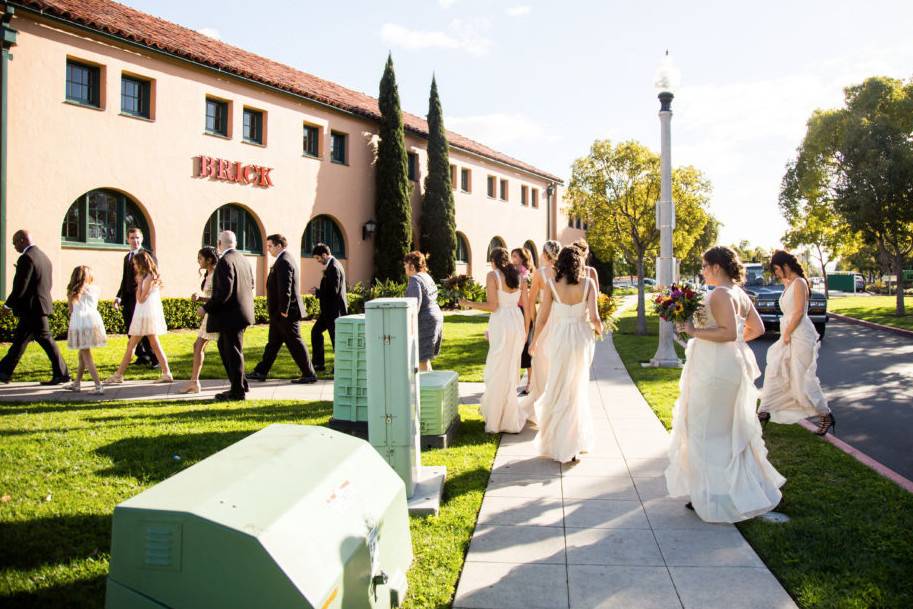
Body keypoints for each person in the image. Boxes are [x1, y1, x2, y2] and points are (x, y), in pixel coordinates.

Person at [665, 246, 785, 523]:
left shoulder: (720, 293)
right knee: (724, 430)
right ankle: (721, 490)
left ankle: (712, 494)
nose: (702, 271)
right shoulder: (739, 293)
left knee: (705, 430)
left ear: (716, 267)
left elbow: (729, 332)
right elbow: (756, 329)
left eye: (705, 266)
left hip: (715, 368)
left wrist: (694, 331)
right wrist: (735, 344)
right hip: (729, 365)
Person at [529, 246, 602, 463]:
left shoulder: (551, 284)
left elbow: (542, 318)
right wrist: (600, 330)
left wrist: (534, 342)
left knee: (558, 385)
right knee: (576, 388)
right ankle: (574, 444)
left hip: (560, 338)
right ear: (579, 263)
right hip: (581, 338)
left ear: (559, 262)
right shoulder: (588, 284)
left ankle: (559, 442)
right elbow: (595, 318)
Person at [758, 250, 834, 435]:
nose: (775, 273)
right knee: (775, 371)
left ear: (785, 266)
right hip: (788, 334)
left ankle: (825, 415)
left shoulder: (799, 282)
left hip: (799, 335)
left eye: (776, 269)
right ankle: (763, 412)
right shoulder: (790, 283)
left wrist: (787, 334)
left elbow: (799, 312)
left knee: (801, 380)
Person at [460, 247, 528, 434]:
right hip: (516, 321)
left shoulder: (493, 276)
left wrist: (469, 303)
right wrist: (526, 330)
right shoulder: (519, 276)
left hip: (501, 322)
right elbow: (527, 307)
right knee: (511, 369)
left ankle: (496, 421)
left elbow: (492, 306)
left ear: (493, 261)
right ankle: (509, 418)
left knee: (498, 368)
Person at [0, 230, 69, 384]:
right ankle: (4, 372)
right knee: (21, 341)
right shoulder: (43, 257)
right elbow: (46, 284)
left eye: (14, 243)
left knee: (43, 339)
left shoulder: (26, 258)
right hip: (38, 306)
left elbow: (20, 286)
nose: (14, 247)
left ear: (22, 240)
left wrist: (7, 305)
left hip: (32, 309)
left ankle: (62, 373)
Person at [248, 234, 318, 384]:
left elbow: (285, 289)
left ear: (279, 245)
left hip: (286, 313)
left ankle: (309, 373)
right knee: (273, 343)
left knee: (295, 342)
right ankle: (261, 371)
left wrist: (283, 311)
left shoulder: (284, 261)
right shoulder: (283, 259)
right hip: (280, 312)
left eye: (270, 246)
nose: (268, 249)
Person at [201, 230, 255, 401]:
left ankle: (237, 391)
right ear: (235, 243)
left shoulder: (224, 261)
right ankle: (240, 384)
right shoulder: (242, 259)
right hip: (240, 313)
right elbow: (251, 284)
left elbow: (224, 292)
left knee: (231, 352)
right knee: (228, 350)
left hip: (230, 316)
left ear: (219, 244)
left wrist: (206, 308)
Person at [105, 251, 173, 384]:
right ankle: (166, 373)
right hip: (144, 314)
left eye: (136, 263)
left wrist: (139, 285)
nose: (134, 266)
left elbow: (141, 299)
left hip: (144, 315)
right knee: (150, 345)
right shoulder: (149, 276)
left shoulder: (148, 278)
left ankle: (119, 375)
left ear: (142, 263)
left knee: (134, 345)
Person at [519, 240, 561, 420]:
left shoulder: (541, 273)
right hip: (561, 322)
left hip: (545, 322)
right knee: (557, 363)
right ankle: (555, 405)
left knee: (542, 363)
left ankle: (543, 405)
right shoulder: (565, 272)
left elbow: (530, 301)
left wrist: (533, 320)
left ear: (544, 254)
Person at [178, 246, 220, 394]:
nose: (198, 261)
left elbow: (218, 298)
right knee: (198, 346)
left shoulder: (216, 274)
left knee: (202, 346)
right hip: (209, 315)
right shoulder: (208, 274)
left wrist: (202, 300)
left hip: (215, 315)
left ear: (209, 259)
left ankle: (195, 383)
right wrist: (200, 298)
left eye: (200, 258)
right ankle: (194, 382)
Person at [115, 227, 158, 368]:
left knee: (145, 330)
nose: (135, 240)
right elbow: (124, 279)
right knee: (131, 329)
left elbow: (153, 276)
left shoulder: (147, 255)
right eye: (132, 238)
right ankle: (142, 356)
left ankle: (154, 358)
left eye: (137, 237)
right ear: (128, 240)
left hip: (141, 299)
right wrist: (118, 297)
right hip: (128, 300)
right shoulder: (126, 257)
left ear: (142, 239)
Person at [63, 266, 106, 395]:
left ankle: (98, 385)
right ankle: (77, 383)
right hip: (93, 320)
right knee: (82, 354)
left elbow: (71, 310)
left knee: (86, 354)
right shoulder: (95, 289)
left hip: (80, 321)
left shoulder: (72, 291)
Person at [404, 251, 444, 371]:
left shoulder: (415, 280)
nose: (404, 268)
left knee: (421, 360)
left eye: (405, 265)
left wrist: (408, 326)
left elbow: (414, 305)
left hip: (425, 321)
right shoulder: (427, 277)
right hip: (436, 317)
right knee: (424, 359)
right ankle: (430, 386)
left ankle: (426, 388)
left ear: (411, 266)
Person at [310, 243, 347, 373]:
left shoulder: (334, 267)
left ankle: (340, 366)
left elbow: (333, 291)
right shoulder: (332, 265)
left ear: (324, 255)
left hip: (333, 311)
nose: (318, 261)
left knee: (336, 339)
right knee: (316, 332)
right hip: (328, 311)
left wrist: (318, 292)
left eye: (318, 258)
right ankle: (318, 364)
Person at [511, 247, 534, 395]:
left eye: (515, 256)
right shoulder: (513, 272)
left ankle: (531, 382)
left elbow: (526, 301)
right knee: (516, 349)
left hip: (523, 312)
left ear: (522, 258)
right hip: (514, 312)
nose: (512, 259)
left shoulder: (524, 274)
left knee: (526, 350)